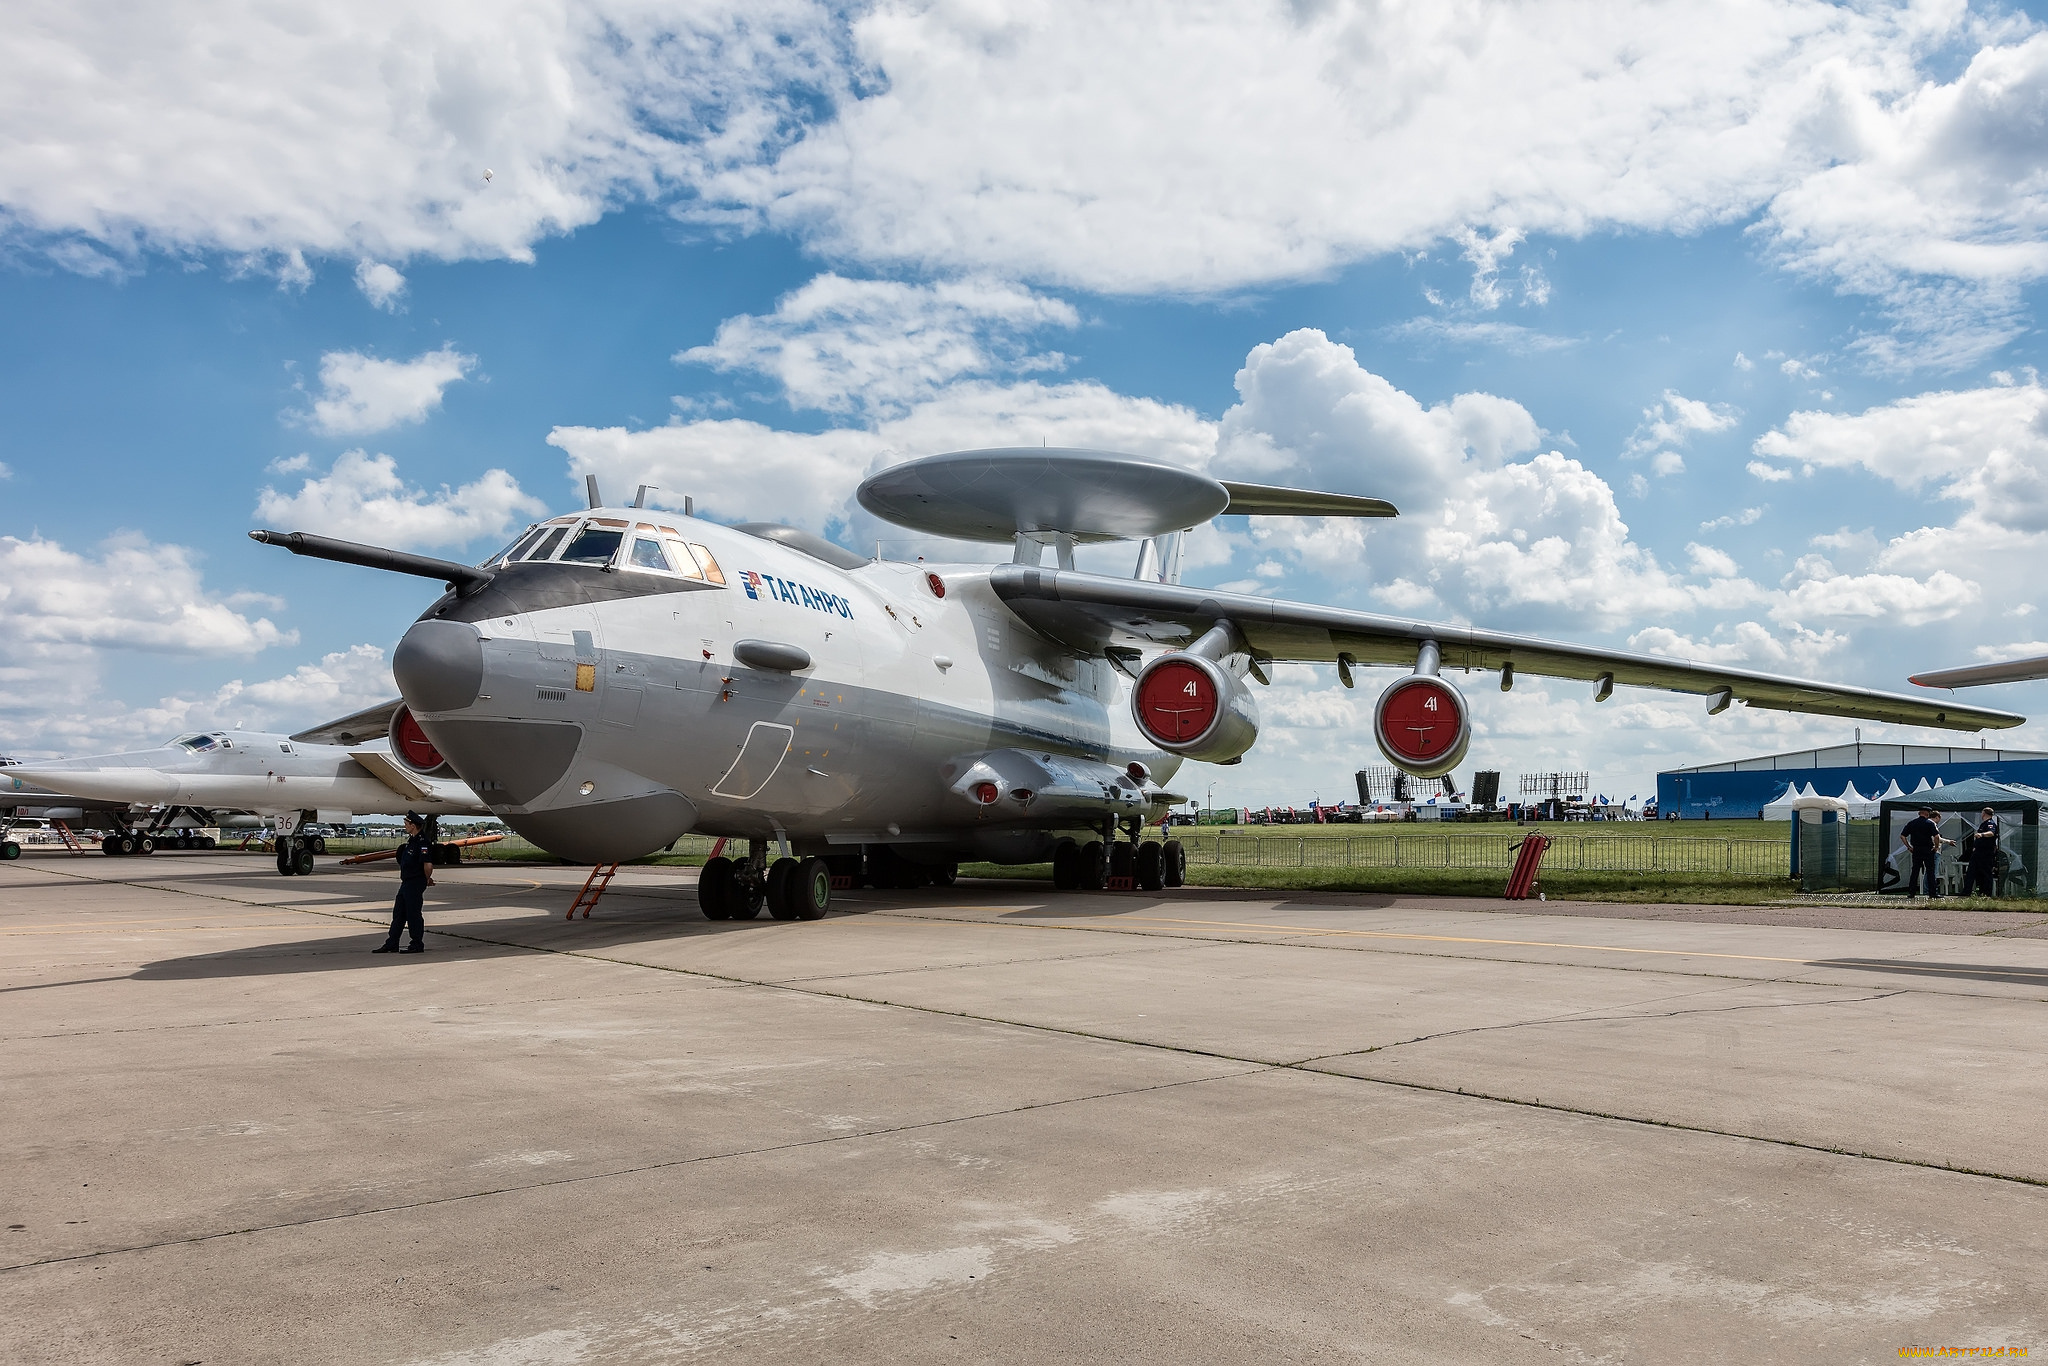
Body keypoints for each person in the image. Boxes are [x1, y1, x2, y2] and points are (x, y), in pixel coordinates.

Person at [373, 813, 434, 954]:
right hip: (406, 882)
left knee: (413, 914)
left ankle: (417, 944)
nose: (405, 826)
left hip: (415, 882)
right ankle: (392, 943)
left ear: (413, 826)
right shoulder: (411, 841)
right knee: (399, 913)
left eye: (406, 824)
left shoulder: (422, 842)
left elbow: (428, 865)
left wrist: (426, 879)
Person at [1898, 806, 1951, 899]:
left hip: (1916, 850)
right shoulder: (1930, 823)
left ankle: (1911, 893)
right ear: (1927, 814)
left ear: (1919, 813)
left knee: (1915, 871)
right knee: (1930, 871)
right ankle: (1932, 893)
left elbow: (1902, 836)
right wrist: (1936, 847)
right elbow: (1936, 836)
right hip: (1928, 850)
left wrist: (1909, 847)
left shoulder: (1912, 823)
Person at [1964, 807, 2001, 898]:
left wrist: (1982, 834)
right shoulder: (1983, 824)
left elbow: (1991, 833)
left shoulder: (1990, 823)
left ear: (1984, 814)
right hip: (1978, 852)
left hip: (1985, 853)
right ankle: (1967, 891)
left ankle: (1986, 893)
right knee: (1972, 872)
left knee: (1986, 872)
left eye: (1982, 813)